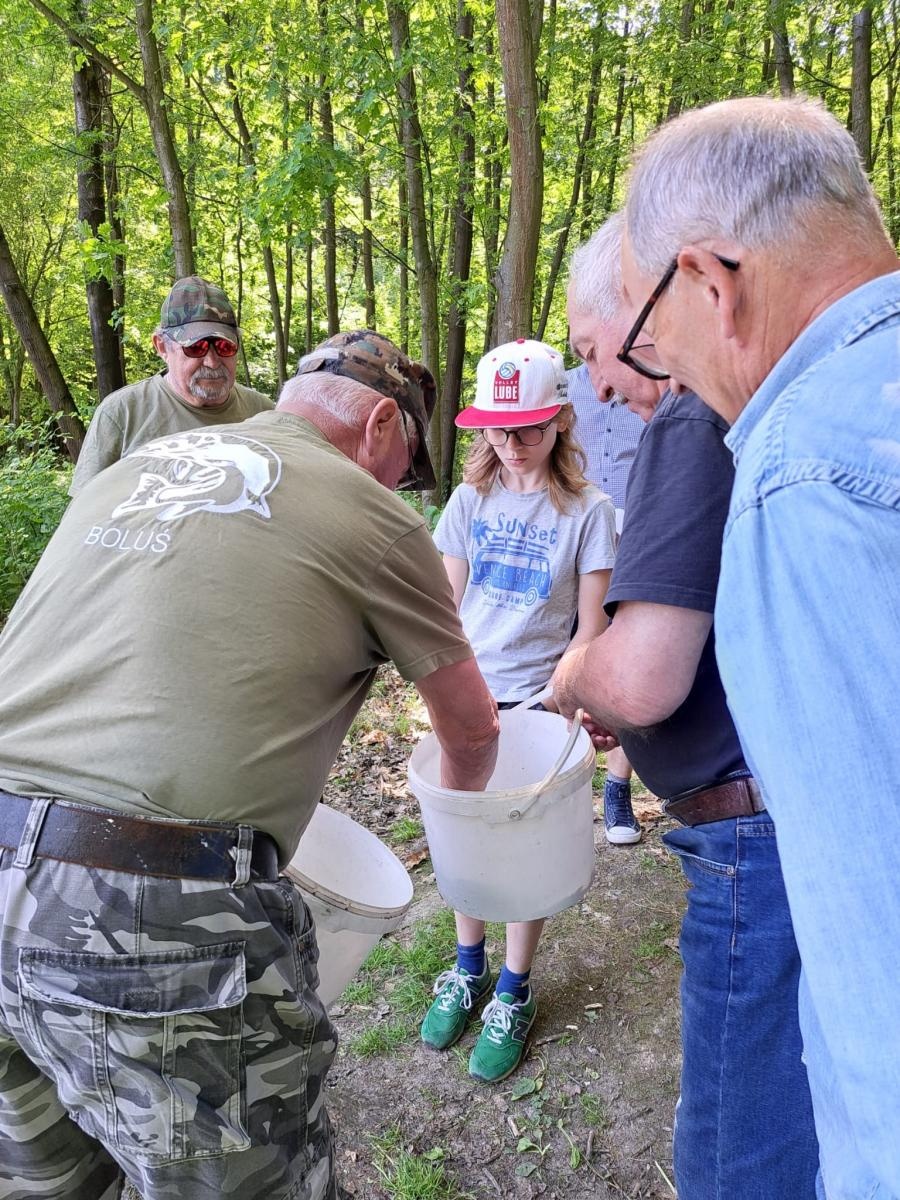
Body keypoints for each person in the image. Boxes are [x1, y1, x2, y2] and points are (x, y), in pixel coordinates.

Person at [0, 330, 499, 1200]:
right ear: (383, 423)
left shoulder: (130, 472)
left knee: (48, 1181)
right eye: (404, 466)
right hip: (145, 914)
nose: (398, 490)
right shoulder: (374, 513)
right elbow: (473, 731)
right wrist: (465, 842)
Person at [619, 94, 900, 1200]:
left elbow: (876, 933)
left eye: (654, 340)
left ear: (709, 281)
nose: (665, 375)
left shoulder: (801, 472)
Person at [551, 213, 818, 1199]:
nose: (604, 386)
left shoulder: (692, 414)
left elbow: (641, 678)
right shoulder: (774, 404)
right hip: (787, 817)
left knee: (730, 1154)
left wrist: (576, 675)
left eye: (595, 351)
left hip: (751, 842)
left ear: (647, 302)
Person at [420, 338, 617, 1083]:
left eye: (527, 428)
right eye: (498, 430)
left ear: (562, 421)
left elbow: (591, 627)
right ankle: (467, 965)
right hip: (469, 693)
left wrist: (574, 693)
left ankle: (513, 984)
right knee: (466, 832)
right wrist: (442, 683)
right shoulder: (471, 500)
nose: (511, 444)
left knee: (523, 844)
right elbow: (445, 607)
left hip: (539, 700)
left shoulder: (589, 512)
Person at [567, 232, 648, 845]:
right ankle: (571, 781)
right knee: (587, 650)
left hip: (648, 540)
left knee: (638, 654)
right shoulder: (569, 392)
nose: (602, 381)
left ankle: (618, 788)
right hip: (587, 543)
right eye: (586, 355)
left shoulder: (668, 384)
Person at [69, 275, 272, 495]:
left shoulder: (265, 414)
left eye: (224, 347)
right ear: (162, 347)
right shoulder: (122, 413)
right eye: (195, 347)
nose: (212, 362)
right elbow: (84, 511)